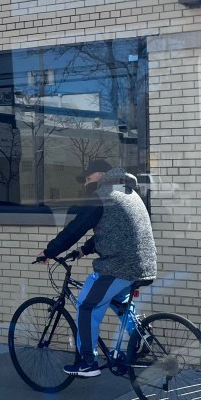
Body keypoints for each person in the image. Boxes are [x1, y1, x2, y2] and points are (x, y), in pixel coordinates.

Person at [38, 159, 158, 377]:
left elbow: (75, 228)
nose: (86, 183)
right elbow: (115, 231)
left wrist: (49, 252)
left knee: (86, 305)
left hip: (119, 265)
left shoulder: (102, 196)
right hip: (143, 264)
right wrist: (83, 250)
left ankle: (88, 362)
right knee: (115, 299)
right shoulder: (126, 192)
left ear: (101, 174)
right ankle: (139, 336)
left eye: (88, 177)